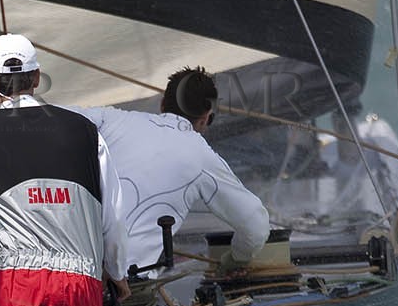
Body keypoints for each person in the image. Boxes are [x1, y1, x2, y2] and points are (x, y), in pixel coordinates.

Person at [0, 33, 129, 306]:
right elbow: (113, 217)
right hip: (80, 285)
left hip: (15, 285)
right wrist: (117, 272)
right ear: (36, 77)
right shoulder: (87, 131)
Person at [77, 66, 271, 275]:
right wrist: (235, 259)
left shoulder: (112, 120)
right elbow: (256, 226)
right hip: (123, 283)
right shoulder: (202, 157)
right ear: (205, 118)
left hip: (67, 269)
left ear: (163, 104)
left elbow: (56, 114)